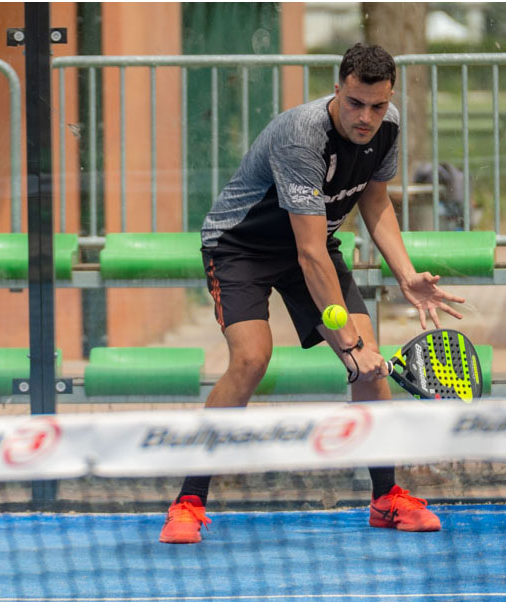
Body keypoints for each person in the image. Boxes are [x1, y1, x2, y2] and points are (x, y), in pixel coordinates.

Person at [160, 43, 465, 544]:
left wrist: (406, 275)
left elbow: (375, 200)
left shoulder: (387, 127)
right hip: (241, 246)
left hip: (313, 243)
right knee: (251, 359)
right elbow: (309, 253)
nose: (366, 117)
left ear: (389, 99)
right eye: (355, 103)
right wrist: (348, 342)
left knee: (368, 366)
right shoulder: (302, 137)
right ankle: (188, 501)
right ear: (337, 88)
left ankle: (385, 498)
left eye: (378, 105)